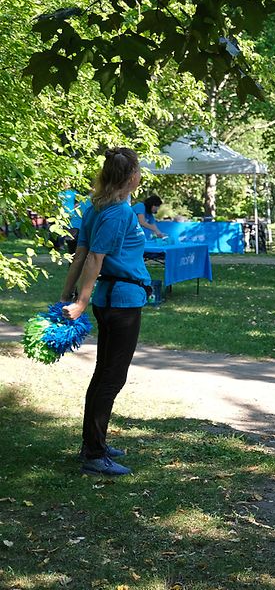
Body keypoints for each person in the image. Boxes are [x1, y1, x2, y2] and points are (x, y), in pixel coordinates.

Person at [59, 147, 151, 476]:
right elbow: (94, 258)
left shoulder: (95, 207)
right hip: (120, 302)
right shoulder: (118, 212)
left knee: (103, 375)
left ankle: (94, 442)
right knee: (112, 378)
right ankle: (94, 453)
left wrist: (66, 293)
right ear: (131, 178)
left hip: (112, 300)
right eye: (138, 169)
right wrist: (80, 301)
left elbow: (80, 254)